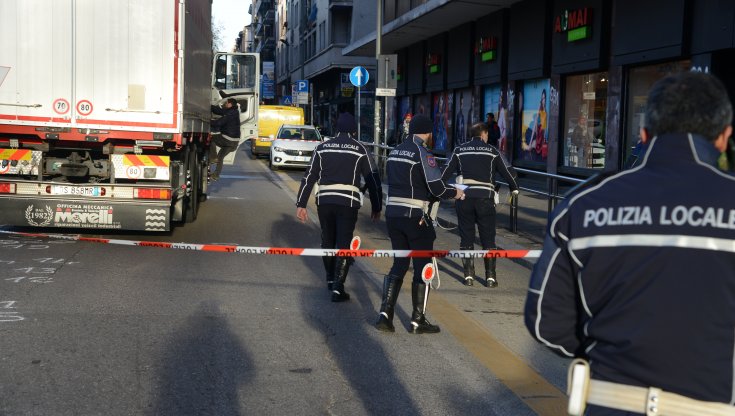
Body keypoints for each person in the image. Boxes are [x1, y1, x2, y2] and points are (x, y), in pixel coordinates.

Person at [524, 71, 735, 415]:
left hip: (609, 403)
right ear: (724, 138)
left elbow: (545, 323)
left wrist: (608, 350)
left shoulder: (582, 205)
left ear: (644, 134)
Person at [375, 114, 464, 334]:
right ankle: (418, 319)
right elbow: (437, 187)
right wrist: (456, 192)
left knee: (399, 263)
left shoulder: (395, 152)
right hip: (416, 217)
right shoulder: (423, 153)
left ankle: (385, 315)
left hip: (393, 215)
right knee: (422, 266)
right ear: (427, 132)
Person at [296, 113, 382, 302]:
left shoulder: (322, 147)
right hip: (348, 202)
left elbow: (309, 176)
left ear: (336, 129)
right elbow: (373, 179)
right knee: (344, 243)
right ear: (354, 129)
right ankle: (338, 287)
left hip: (324, 201)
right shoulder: (360, 149)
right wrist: (377, 206)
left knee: (327, 240)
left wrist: (301, 203)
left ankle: (328, 279)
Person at [442, 122, 519, 287]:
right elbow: (509, 174)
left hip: (464, 198)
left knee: (466, 236)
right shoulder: (493, 151)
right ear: (484, 134)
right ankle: (490, 278)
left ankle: (468, 276)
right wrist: (515, 189)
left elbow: (444, 173)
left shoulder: (459, 149)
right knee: (488, 238)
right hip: (486, 199)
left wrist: (441, 190)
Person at [209, 98, 241, 181]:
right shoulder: (234, 112)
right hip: (234, 143)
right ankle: (215, 175)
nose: (225, 105)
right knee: (221, 157)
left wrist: (208, 121)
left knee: (211, 139)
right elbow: (219, 111)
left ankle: (213, 157)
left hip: (228, 139)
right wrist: (211, 106)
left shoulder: (229, 113)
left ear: (230, 104)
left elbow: (219, 123)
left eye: (226, 103)